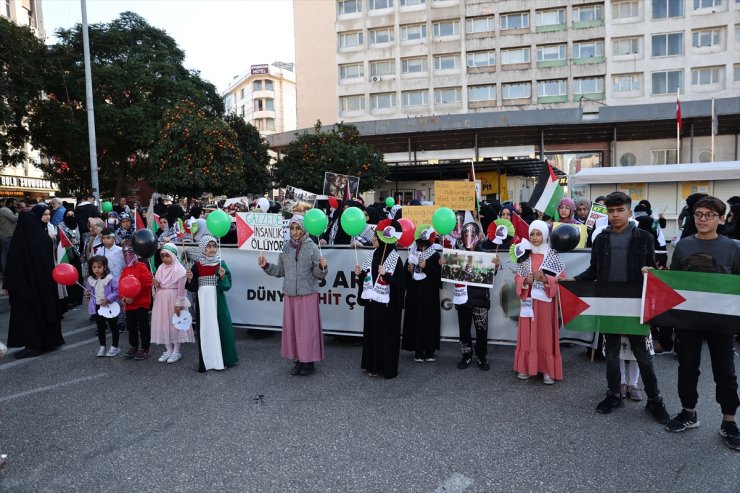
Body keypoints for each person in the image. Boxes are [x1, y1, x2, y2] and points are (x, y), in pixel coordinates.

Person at [573, 191, 670, 423]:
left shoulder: (644, 237)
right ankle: (613, 394)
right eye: (610, 211)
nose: (615, 215)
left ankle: (655, 400)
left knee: (642, 355)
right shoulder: (600, 239)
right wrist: (572, 281)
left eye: (620, 210)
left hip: (635, 303)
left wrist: (652, 273)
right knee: (612, 352)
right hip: (609, 302)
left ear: (629, 211)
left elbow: (650, 270)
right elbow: (593, 271)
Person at [664, 196, 740, 451]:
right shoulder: (683, 246)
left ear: (721, 218)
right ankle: (688, 412)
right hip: (688, 318)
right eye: (699, 214)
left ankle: (729, 421)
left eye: (709, 215)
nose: (703, 219)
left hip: (721, 320)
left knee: (725, 371)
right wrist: (652, 276)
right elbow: (673, 281)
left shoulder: (733, 247)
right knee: (687, 367)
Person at [259, 215, 328, 376]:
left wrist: (322, 267)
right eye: (292, 228)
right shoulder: (285, 248)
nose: (295, 232)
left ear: (304, 229)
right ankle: (299, 358)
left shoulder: (312, 247)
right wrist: (266, 266)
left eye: (298, 228)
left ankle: (309, 361)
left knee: (307, 330)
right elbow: (281, 271)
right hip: (290, 294)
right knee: (294, 330)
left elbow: (319, 274)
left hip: (307, 294)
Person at [2, 205, 64, 358]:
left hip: (26, 289)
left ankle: (33, 345)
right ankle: (49, 341)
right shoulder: (43, 238)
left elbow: (13, 265)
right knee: (44, 312)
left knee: (29, 317)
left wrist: (8, 285)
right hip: (44, 286)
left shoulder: (20, 242)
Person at [513, 220, 565, 384]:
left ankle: (547, 369)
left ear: (545, 234)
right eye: (532, 234)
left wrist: (546, 279)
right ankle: (525, 367)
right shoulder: (524, 255)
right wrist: (524, 280)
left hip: (545, 305)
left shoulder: (553, 255)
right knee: (527, 333)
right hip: (528, 302)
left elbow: (561, 279)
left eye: (538, 234)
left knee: (544, 334)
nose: (535, 238)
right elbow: (517, 278)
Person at [355, 219, 405, 379]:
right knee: (372, 335)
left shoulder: (395, 258)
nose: (372, 240)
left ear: (383, 239)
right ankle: (373, 365)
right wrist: (360, 274)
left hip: (388, 308)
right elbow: (367, 279)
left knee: (387, 336)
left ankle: (387, 367)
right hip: (373, 306)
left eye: (375, 238)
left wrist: (388, 276)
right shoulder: (371, 256)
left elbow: (401, 284)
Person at [452, 222, 501, 371]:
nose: (468, 238)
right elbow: (451, 273)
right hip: (463, 299)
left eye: (472, 235)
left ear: (478, 236)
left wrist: (496, 266)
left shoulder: (485, 254)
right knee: (464, 330)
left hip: (480, 299)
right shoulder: (457, 254)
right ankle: (466, 356)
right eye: (465, 234)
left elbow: (491, 274)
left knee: (481, 330)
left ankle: (481, 356)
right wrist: (444, 264)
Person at [186, 235, 238, 373]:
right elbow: (191, 287)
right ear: (203, 248)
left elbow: (227, 284)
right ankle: (207, 361)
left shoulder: (221, 263)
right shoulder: (197, 265)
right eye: (209, 246)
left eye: (214, 246)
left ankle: (224, 359)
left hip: (217, 300)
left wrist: (222, 277)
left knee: (220, 326)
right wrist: (191, 279)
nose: (212, 249)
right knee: (205, 328)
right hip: (203, 300)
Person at [401, 225, 441, 362]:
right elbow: (404, 276)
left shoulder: (435, 255)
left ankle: (429, 350)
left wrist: (427, 267)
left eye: (424, 244)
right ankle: (417, 350)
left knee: (429, 321)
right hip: (414, 293)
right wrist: (408, 268)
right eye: (419, 243)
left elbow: (439, 278)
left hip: (429, 294)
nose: (421, 246)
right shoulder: (411, 253)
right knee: (415, 320)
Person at [151, 243, 194, 364]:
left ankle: (176, 350)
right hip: (161, 300)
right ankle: (168, 349)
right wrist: (157, 284)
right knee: (163, 323)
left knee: (175, 324)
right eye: (162, 256)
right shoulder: (160, 268)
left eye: (167, 256)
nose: (165, 259)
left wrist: (178, 304)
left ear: (174, 256)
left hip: (174, 301)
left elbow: (182, 290)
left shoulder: (179, 270)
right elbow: (159, 285)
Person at [120, 244, 154, 361]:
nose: (128, 256)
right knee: (131, 327)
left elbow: (147, 283)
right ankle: (133, 346)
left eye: (130, 253)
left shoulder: (142, 267)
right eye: (125, 254)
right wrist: (123, 298)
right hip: (129, 305)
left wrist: (135, 296)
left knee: (143, 326)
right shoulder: (125, 270)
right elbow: (121, 285)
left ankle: (145, 347)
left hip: (141, 303)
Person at [85, 255, 120, 357]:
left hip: (110, 307)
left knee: (113, 327)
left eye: (99, 267)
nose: (96, 269)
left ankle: (115, 347)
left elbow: (117, 291)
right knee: (100, 327)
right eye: (94, 267)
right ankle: (102, 346)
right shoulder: (90, 280)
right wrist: (87, 294)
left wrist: (108, 299)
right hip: (97, 306)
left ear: (104, 267)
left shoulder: (110, 279)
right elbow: (90, 293)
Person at [59, 209, 83, 307]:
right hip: (66, 254)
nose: (70, 217)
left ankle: (78, 298)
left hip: (76, 254)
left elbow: (81, 239)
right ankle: (70, 298)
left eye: (72, 215)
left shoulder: (78, 225)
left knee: (77, 276)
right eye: (68, 215)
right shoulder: (61, 226)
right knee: (68, 275)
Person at [0, 198, 19, 271]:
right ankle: (6, 270)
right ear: (10, 203)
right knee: (6, 253)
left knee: (5, 253)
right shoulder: (5, 210)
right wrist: (17, 213)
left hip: (5, 234)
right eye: (14, 203)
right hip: (7, 235)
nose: (15, 205)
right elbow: (14, 219)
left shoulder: (4, 210)